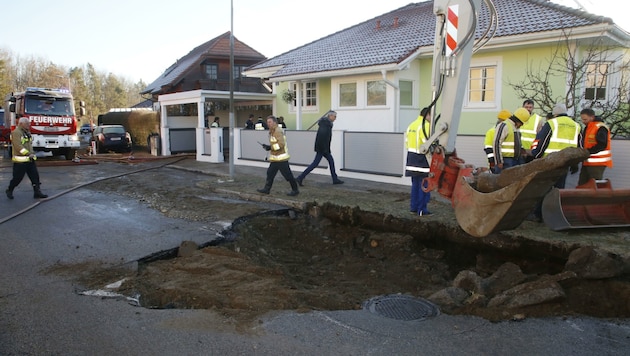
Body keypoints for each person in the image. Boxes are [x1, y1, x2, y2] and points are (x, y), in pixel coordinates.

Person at [528, 103, 582, 221]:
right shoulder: (576, 125)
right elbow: (579, 147)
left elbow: (543, 141)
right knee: (559, 189)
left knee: (544, 187)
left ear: (555, 114)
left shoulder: (552, 123)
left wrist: (536, 155)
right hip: (566, 162)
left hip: (550, 162)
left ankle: (538, 215)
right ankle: (556, 215)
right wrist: (575, 163)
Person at [295, 110, 344, 186]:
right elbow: (322, 137)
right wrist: (324, 148)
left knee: (328, 162)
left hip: (322, 147)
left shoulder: (325, 124)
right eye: (335, 116)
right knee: (317, 163)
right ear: (330, 116)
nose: (335, 118)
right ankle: (300, 177)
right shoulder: (326, 124)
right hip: (323, 148)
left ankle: (335, 179)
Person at [5, 117, 48, 199]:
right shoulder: (16, 133)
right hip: (20, 161)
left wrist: (32, 153)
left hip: (30, 160)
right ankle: (9, 190)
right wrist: (28, 153)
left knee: (35, 177)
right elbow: (18, 146)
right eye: (27, 123)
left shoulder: (27, 132)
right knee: (17, 178)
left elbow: (29, 145)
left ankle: (37, 192)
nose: (29, 125)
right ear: (21, 124)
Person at [257, 115, 299, 196]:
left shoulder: (277, 131)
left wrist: (270, 147)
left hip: (281, 158)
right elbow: (275, 143)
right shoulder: (272, 131)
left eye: (270, 122)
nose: (268, 124)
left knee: (288, 175)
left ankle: (295, 190)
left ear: (274, 122)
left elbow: (281, 144)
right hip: (275, 158)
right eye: (267, 122)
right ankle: (267, 189)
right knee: (270, 173)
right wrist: (269, 147)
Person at [405, 107, 432, 216]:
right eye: (431, 116)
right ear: (428, 115)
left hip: (411, 159)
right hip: (422, 160)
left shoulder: (411, 125)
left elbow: (407, 143)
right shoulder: (426, 126)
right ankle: (422, 210)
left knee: (415, 185)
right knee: (424, 186)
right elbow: (427, 143)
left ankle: (413, 208)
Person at [577, 108, 612, 186]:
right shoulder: (589, 127)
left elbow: (602, 144)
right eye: (582, 119)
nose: (583, 121)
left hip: (598, 162)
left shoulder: (600, 127)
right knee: (583, 185)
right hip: (588, 161)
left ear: (592, 117)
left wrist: (588, 151)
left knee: (594, 185)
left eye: (585, 119)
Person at [492, 108, 530, 173]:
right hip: (505, 161)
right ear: (518, 121)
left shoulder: (515, 128)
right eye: (522, 123)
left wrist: (522, 151)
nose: (522, 125)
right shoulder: (504, 125)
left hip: (515, 160)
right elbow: (496, 143)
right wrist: (499, 161)